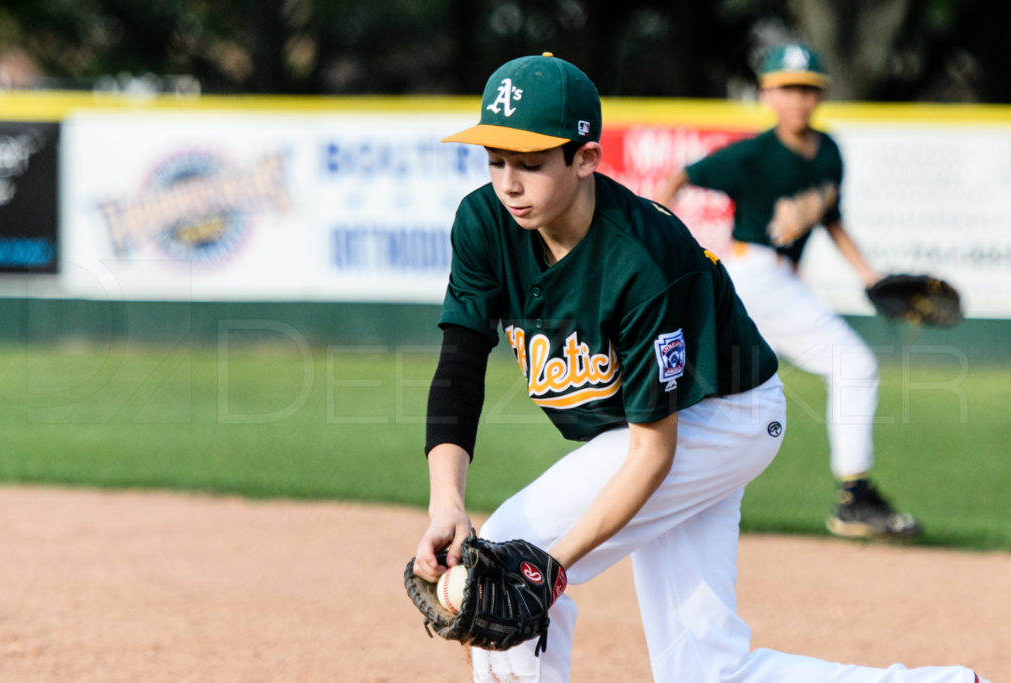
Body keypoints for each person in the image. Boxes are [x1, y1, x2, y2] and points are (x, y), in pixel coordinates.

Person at [413, 52, 988, 682]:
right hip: (653, 426)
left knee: (509, 559)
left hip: (724, 415)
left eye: (530, 162)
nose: (508, 183)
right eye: (494, 160)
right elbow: (460, 365)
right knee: (703, 672)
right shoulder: (483, 222)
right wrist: (447, 499)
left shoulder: (642, 258)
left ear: (585, 159)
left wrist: (550, 570)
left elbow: (653, 454)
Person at [655, 43, 921, 541]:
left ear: (819, 96)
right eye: (787, 88)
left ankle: (662, 487)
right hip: (754, 273)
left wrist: (870, 278)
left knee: (724, 392)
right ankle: (855, 497)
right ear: (766, 95)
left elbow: (831, 221)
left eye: (807, 88)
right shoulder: (752, 155)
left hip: (780, 281)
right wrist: (658, 242)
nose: (798, 98)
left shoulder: (830, 153)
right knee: (853, 364)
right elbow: (680, 178)